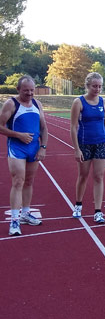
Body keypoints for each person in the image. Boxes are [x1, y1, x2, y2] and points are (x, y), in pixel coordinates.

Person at [0, 76, 47, 236]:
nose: (29, 93)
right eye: (26, 90)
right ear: (18, 89)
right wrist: (18, 135)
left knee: (29, 181)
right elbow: (0, 127)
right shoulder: (11, 104)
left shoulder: (37, 104)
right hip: (17, 148)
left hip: (34, 149)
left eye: (32, 90)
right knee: (18, 182)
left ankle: (26, 213)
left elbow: (44, 128)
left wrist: (43, 147)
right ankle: (14, 220)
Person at [70, 72, 105, 223]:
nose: (97, 89)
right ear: (87, 86)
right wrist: (76, 148)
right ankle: (78, 205)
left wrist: (103, 138)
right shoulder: (79, 102)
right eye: (94, 86)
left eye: (100, 86)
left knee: (99, 176)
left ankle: (98, 211)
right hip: (84, 143)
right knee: (83, 175)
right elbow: (73, 127)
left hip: (100, 143)